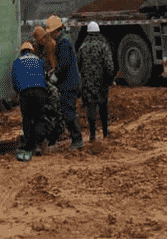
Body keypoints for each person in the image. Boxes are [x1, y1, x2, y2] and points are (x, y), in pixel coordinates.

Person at [45, 14, 83, 149]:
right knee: (68, 112)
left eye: (50, 32)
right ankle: (76, 139)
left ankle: (77, 140)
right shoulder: (64, 42)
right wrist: (55, 71)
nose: (50, 35)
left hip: (69, 85)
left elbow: (65, 64)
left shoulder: (63, 43)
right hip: (69, 83)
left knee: (69, 113)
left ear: (56, 30)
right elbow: (63, 64)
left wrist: (56, 74)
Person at [77, 20, 116, 142]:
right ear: (98, 32)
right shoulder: (103, 46)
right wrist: (109, 80)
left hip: (88, 84)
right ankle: (105, 132)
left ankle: (92, 135)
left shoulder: (82, 47)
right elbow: (109, 66)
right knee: (103, 107)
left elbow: (78, 65)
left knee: (91, 109)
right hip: (101, 84)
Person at [10, 41, 47, 161]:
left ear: (22, 51)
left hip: (25, 92)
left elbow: (14, 80)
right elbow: (44, 76)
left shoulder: (18, 61)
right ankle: (38, 146)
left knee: (27, 118)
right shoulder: (38, 60)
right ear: (31, 50)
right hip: (40, 91)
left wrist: (19, 92)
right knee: (39, 118)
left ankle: (28, 145)